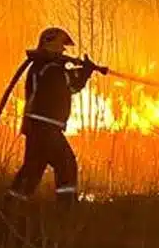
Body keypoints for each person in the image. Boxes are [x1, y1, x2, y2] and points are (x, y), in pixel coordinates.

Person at [7, 27, 107, 202]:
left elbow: (68, 82)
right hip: (46, 128)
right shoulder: (51, 69)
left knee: (32, 169)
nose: (63, 50)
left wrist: (83, 72)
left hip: (36, 127)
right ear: (51, 45)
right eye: (61, 45)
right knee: (66, 164)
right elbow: (71, 85)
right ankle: (66, 211)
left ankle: (11, 206)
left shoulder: (41, 67)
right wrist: (85, 72)